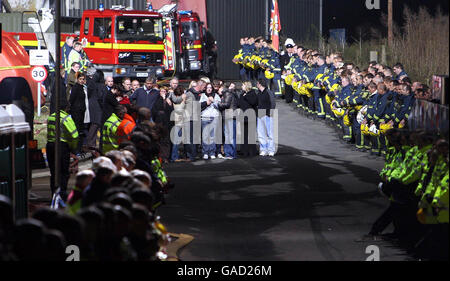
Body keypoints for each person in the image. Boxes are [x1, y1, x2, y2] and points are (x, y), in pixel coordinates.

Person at [46, 98, 79, 201]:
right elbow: (74, 136)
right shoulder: (66, 119)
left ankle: (54, 194)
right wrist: (73, 148)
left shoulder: (51, 117)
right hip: (62, 147)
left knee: (53, 172)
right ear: (66, 108)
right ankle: (62, 195)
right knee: (64, 172)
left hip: (50, 146)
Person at [151, 86, 173, 162]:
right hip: (159, 123)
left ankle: (165, 157)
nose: (163, 93)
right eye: (161, 91)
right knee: (158, 141)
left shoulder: (168, 101)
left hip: (166, 123)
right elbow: (155, 110)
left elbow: (170, 110)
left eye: (164, 91)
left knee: (166, 140)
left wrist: (166, 100)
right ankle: (159, 156)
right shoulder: (157, 100)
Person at [199, 83, 221, 160]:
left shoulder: (216, 96)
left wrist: (213, 101)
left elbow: (219, 106)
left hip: (214, 117)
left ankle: (212, 152)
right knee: (205, 136)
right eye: (207, 88)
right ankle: (205, 152)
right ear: (205, 89)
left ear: (212, 89)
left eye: (210, 88)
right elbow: (200, 105)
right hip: (205, 117)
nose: (209, 89)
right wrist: (207, 102)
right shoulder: (202, 96)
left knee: (212, 136)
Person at [217, 83, 239, 159]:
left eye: (219, 88)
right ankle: (228, 154)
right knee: (227, 136)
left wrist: (217, 103)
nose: (218, 90)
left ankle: (232, 154)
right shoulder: (227, 93)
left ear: (222, 88)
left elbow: (226, 104)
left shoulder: (227, 93)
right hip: (227, 117)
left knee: (231, 136)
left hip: (230, 117)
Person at [69, 72, 88, 154]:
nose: (81, 81)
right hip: (76, 112)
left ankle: (79, 148)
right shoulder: (75, 88)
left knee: (80, 130)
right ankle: (75, 149)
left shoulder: (82, 87)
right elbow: (72, 99)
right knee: (77, 129)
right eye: (80, 79)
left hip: (81, 112)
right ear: (77, 79)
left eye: (83, 79)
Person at [238, 81, 258, 157]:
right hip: (243, 117)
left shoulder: (252, 93)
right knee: (244, 135)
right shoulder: (242, 94)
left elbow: (253, 102)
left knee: (251, 135)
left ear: (247, 86)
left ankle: (252, 151)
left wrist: (246, 96)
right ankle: (244, 151)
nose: (241, 86)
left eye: (243, 85)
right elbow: (239, 104)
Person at [256, 79, 276, 157]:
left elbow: (273, 103)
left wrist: (269, 114)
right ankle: (263, 150)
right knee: (261, 134)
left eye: (257, 83)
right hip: (260, 115)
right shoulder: (259, 93)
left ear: (260, 84)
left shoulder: (268, 92)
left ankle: (271, 150)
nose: (256, 85)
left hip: (267, 115)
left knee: (270, 134)